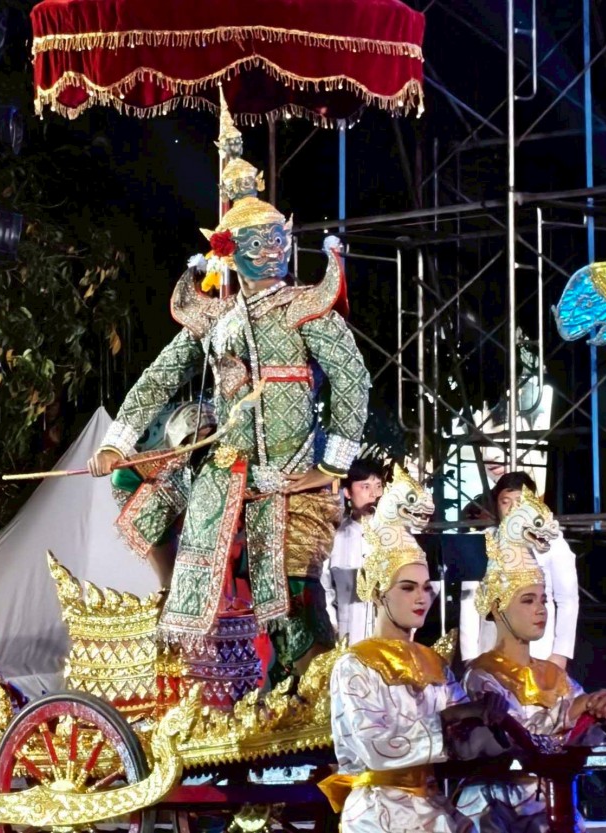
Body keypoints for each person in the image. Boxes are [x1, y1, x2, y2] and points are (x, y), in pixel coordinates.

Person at [87, 102, 370, 684]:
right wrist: (117, 443)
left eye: (278, 238)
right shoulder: (216, 319)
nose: (273, 250)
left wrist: (331, 465)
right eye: (258, 242)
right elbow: (160, 377)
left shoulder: (304, 308)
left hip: (289, 480)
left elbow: (352, 378)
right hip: (225, 470)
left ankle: (315, 695)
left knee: (293, 603)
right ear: (229, 250)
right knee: (131, 483)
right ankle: (173, 598)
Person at [319, 483, 508, 833]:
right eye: (407, 588)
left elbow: (465, 744)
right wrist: (450, 717)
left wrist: (494, 720)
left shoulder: (434, 664)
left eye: (425, 588)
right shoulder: (355, 665)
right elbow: (375, 748)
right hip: (378, 810)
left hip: (432, 804)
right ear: (378, 592)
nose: (421, 598)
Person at [456, 487, 606, 832]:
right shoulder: (482, 675)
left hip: (551, 800)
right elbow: (519, 736)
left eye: (543, 599)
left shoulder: (553, 673)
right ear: (498, 607)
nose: (540, 610)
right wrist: (575, 712)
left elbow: (585, 733)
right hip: (494, 807)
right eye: (528, 600)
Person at [460, 471, 579, 669]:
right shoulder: (482, 542)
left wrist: (561, 653)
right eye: (505, 502)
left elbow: (567, 599)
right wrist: (469, 656)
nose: (513, 509)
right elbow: (469, 600)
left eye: (520, 501)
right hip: (490, 648)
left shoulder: (552, 542)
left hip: (540, 650)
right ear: (496, 505)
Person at [110, 401, 218, 587]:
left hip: (224, 548)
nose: (204, 441)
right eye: (196, 437)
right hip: (180, 547)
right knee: (171, 583)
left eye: (210, 435)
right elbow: (122, 476)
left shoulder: (228, 466)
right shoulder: (169, 476)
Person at [320, 460, 384, 645]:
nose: (374, 494)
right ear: (348, 492)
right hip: (348, 636)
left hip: (387, 637)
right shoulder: (335, 536)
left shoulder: (394, 535)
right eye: (365, 486)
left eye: (378, 486)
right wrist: (333, 624)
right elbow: (325, 588)